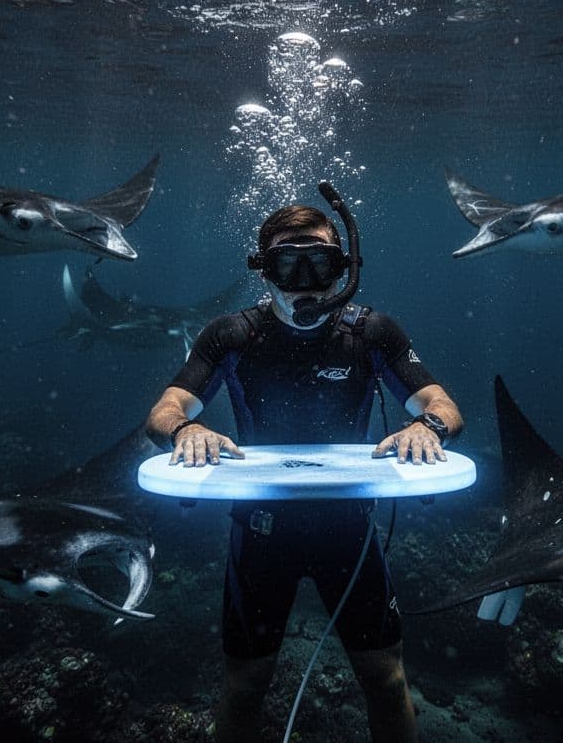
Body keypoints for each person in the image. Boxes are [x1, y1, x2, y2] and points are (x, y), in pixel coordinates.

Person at [144, 202, 463, 743]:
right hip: (261, 534)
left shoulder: (372, 333)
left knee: (385, 678)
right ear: (264, 271)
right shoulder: (232, 335)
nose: (304, 283)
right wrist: (185, 432)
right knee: (246, 684)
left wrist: (426, 427)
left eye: (320, 264)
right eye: (288, 266)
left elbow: (444, 404)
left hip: (349, 533)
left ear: (344, 268)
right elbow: (164, 410)